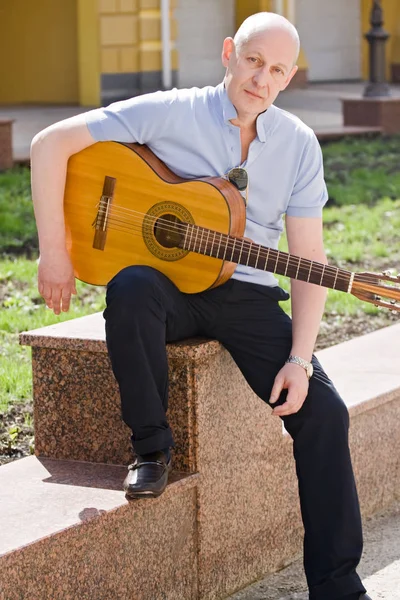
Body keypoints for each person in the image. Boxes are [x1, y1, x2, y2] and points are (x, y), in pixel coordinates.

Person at [30, 11, 371, 600]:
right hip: (170, 290)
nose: (261, 78)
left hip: (250, 296)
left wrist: (301, 359)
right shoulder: (171, 110)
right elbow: (48, 143)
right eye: (253, 60)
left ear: (288, 80)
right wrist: (55, 253)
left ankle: (338, 586)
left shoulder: (296, 144)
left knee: (327, 416)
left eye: (277, 70)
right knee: (130, 287)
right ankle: (152, 447)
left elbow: (309, 261)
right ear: (227, 54)